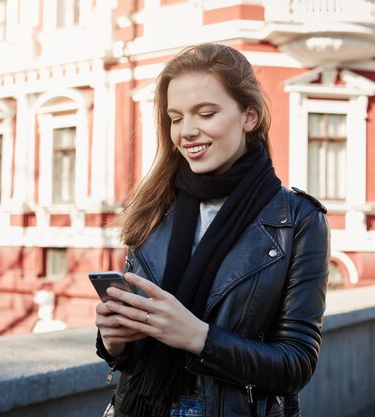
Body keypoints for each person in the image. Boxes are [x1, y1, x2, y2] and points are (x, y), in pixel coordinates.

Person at [95, 43, 330, 417]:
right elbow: (129, 357)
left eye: (205, 113)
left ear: (248, 117)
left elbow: (296, 364)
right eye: (176, 117)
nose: (187, 131)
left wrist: (200, 338)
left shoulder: (298, 219)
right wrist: (113, 340)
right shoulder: (152, 209)